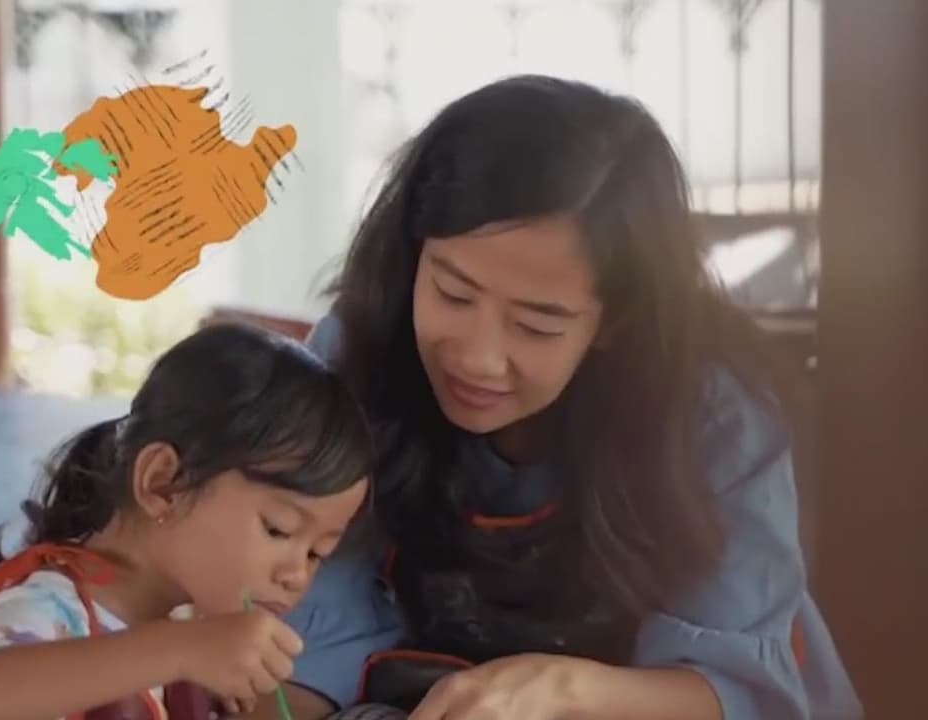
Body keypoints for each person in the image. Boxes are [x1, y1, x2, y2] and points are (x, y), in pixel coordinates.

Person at [261, 75, 863, 720]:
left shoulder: (715, 415)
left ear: (617, 321)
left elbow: (740, 691)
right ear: (412, 256)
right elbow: (302, 651)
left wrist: (566, 691)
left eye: (537, 325)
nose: (477, 357)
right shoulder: (354, 364)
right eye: (453, 294)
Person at [0, 322, 374, 720]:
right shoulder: (56, 613)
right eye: (278, 529)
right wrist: (180, 649)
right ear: (163, 485)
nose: (297, 576)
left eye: (318, 554)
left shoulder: (187, 621)